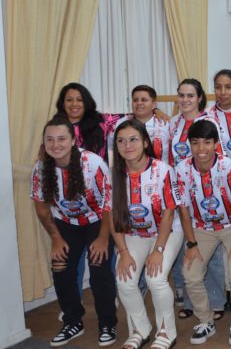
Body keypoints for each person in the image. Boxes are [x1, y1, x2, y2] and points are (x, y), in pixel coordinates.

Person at [30, 117, 117, 347]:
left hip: (98, 220)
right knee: (60, 267)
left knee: (99, 269)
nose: (55, 144)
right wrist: (56, 238)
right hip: (66, 223)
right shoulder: (41, 167)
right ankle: (72, 321)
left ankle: (108, 323)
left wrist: (103, 237)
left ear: (72, 141)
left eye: (61, 139)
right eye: (49, 139)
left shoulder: (93, 163)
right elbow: (41, 207)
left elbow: (109, 203)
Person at [176, 120, 231, 346]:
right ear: (189, 144)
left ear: (216, 144)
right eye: (196, 143)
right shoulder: (182, 169)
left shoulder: (228, 166)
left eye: (207, 143)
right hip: (202, 228)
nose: (201, 149)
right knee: (191, 274)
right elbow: (184, 210)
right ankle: (205, 319)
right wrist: (191, 244)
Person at [110, 120, 182, 349]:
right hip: (134, 234)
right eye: (121, 141)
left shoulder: (163, 170)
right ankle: (141, 329)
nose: (127, 145)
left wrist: (158, 250)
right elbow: (113, 218)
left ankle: (166, 331)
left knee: (155, 277)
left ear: (145, 142)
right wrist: (123, 252)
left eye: (133, 139)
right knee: (124, 279)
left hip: (167, 231)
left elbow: (170, 214)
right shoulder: (114, 175)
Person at [168, 79, 227, 322]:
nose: (185, 100)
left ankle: (216, 301)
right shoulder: (172, 124)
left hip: (208, 195)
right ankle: (192, 301)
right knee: (188, 250)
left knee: (209, 254)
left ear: (200, 98)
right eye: (181, 95)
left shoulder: (210, 121)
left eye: (190, 95)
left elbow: (218, 156)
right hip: (182, 192)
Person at [109, 85, 170, 164]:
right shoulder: (121, 123)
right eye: (135, 100)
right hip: (128, 173)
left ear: (154, 105)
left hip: (160, 173)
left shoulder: (165, 124)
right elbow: (111, 146)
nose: (139, 103)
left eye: (144, 100)